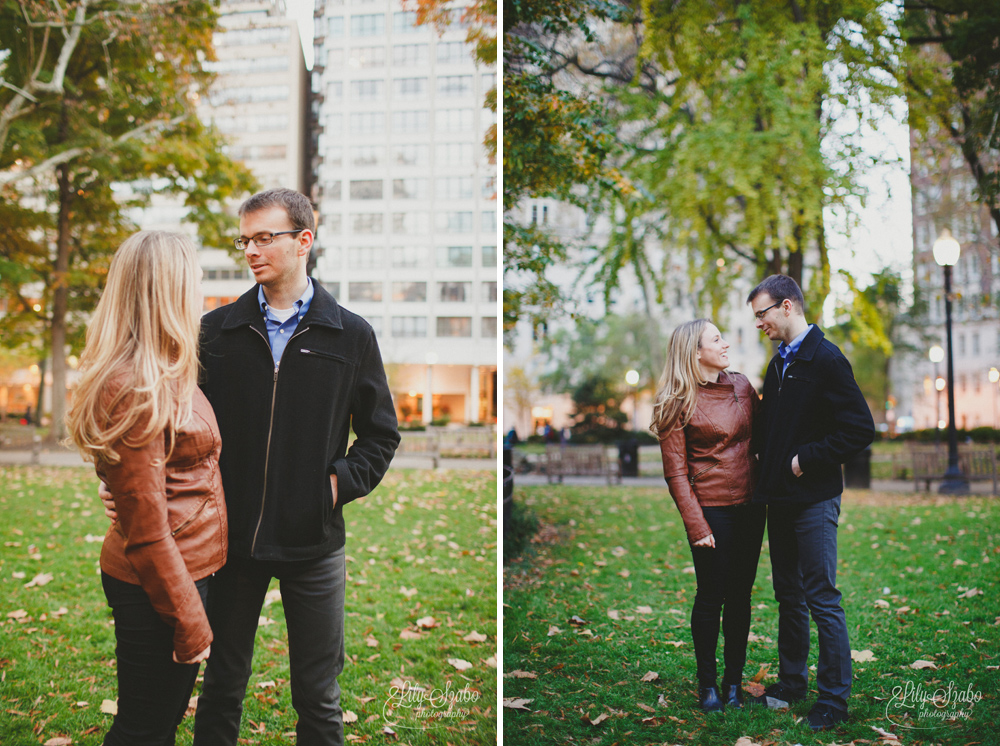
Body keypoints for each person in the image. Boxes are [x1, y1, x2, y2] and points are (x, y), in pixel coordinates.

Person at [102, 188, 400, 746]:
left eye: (265, 238)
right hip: (229, 546)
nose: (251, 251)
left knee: (319, 695)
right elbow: (167, 430)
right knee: (223, 685)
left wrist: (334, 488)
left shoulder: (352, 334)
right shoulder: (213, 333)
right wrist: (129, 487)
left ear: (303, 241)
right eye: (245, 240)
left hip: (315, 543)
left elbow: (381, 435)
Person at [68, 231, 228, 745]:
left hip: (182, 568)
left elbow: (151, 472)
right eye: (195, 279)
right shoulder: (135, 385)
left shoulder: (166, 368)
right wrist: (189, 618)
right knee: (144, 727)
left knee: (158, 721)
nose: (200, 290)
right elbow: (147, 530)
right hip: (157, 580)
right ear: (169, 289)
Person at [747, 275, 874, 732]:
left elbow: (859, 428)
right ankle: (792, 683)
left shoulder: (825, 358)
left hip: (814, 500)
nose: (759, 323)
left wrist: (806, 459)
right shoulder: (779, 363)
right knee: (788, 596)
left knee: (821, 597)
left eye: (762, 314)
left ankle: (834, 701)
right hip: (778, 500)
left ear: (785, 307)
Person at [651, 319, 765, 713]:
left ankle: (733, 683)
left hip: (751, 507)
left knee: (740, 596)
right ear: (695, 352)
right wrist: (696, 524)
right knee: (711, 595)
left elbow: (765, 436)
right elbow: (675, 472)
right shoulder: (676, 400)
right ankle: (708, 686)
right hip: (712, 510)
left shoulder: (742, 386)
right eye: (716, 339)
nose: (725, 344)